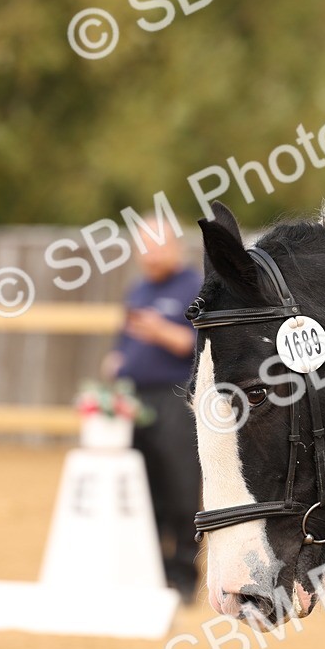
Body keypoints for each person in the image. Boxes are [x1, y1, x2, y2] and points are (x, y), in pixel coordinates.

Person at [103, 224, 203, 600]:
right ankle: (151, 570)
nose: (150, 254)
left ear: (175, 247)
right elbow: (124, 340)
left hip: (176, 397)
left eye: (157, 245)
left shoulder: (194, 287)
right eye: (144, 246)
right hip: (135, 399)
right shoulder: (139, 289)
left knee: (181, 486)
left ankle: (183, 574)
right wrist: (117, 361)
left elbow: (200, 343)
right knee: (143, 487)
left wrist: (161, 331)